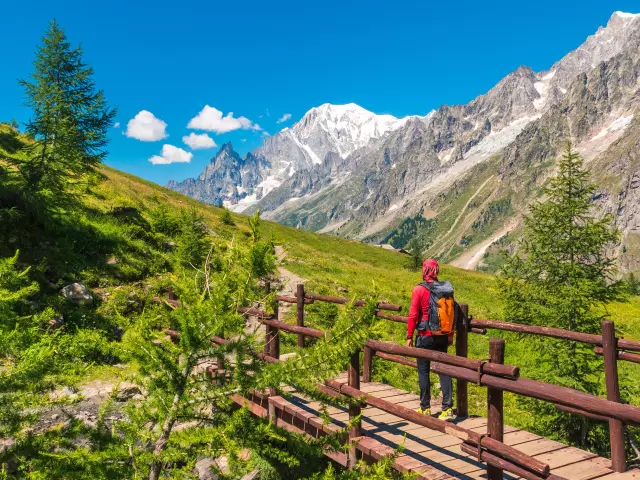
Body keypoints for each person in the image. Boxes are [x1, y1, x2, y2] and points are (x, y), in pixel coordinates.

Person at [406, 258, 455, 421]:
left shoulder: (418, 290)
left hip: (425, 336)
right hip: (441, 335)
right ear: (436, 271)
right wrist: (450, 335)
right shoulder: (445, 290)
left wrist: (409, 336)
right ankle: (447, 408)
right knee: (444, 370)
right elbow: (451, 314)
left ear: (424, 270)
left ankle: (425, 408)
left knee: (423, 370)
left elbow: (413, 315)